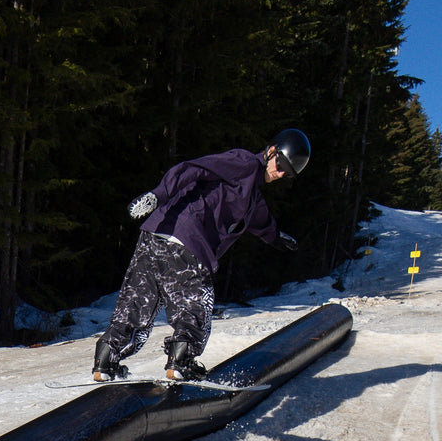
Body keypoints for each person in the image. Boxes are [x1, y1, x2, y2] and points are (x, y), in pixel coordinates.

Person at [93, 128, 310, 382]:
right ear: (271, 150)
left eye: (287, 173)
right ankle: (181, 361)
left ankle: (107, 358)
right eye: (280, 164)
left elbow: (261, 221)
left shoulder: (251, 194)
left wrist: (277, 238)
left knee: (137, 304)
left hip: (156, 234)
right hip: (187, 241)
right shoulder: (245, 163)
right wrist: (158, 194)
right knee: (197, 305)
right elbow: (193, 167)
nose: (280, 173)